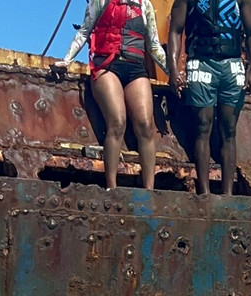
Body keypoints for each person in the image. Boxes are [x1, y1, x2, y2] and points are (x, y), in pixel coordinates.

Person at [58, 0, 169, 190]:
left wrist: (172, 73)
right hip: (106, 66)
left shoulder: (145, 6)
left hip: (135, 69)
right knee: (117, 122)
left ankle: (149, 190)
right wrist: (66, 60)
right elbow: (85, 31)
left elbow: (154, 46)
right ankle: (112, 187)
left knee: (146, 125)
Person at [167, 0, 251, 196]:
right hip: (201, 63)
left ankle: (228, 193)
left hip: (232, 65)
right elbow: (175, 30)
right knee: (203, 126)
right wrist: (174, 70)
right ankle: (204, 192)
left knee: (229, 129)